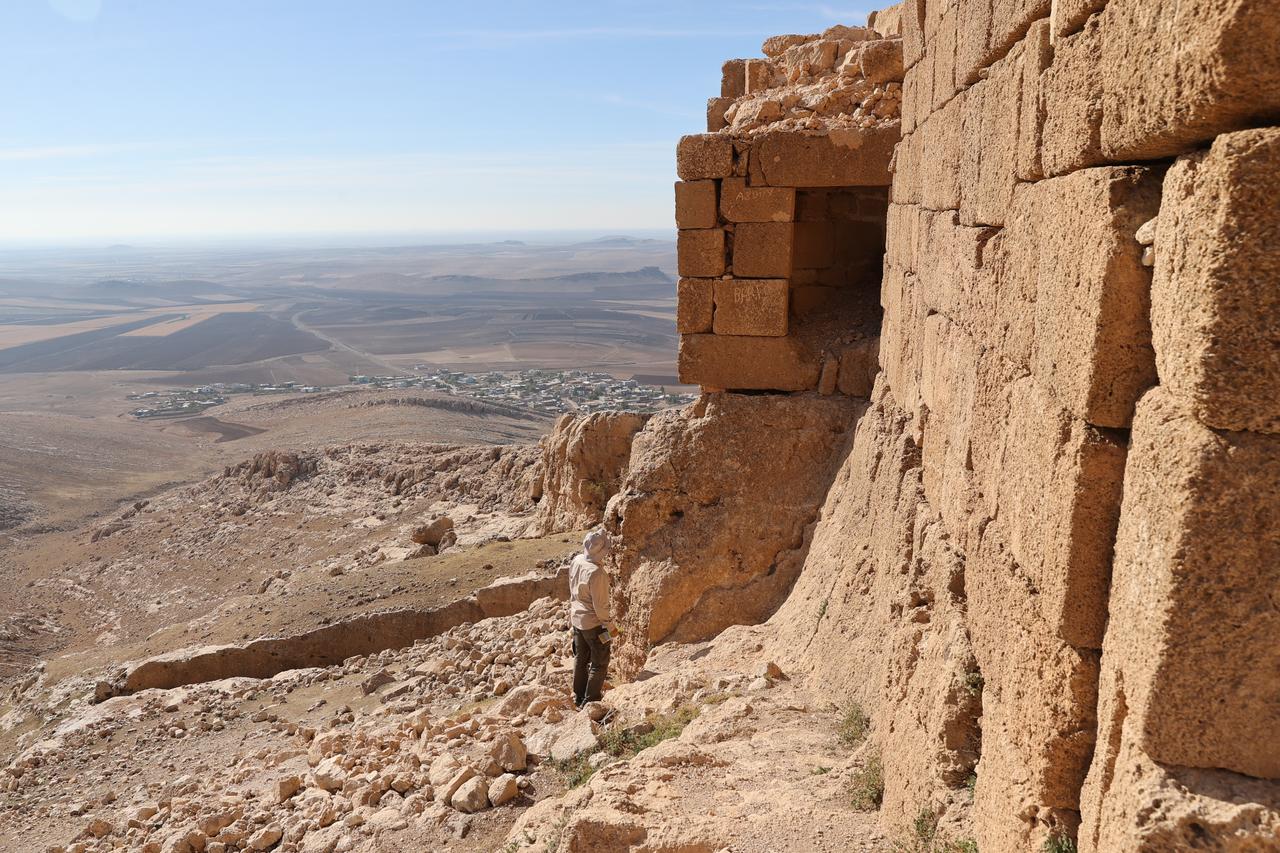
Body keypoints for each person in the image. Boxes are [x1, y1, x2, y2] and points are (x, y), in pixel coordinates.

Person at [569, 529, 616, 708]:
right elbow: (601, 608)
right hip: (594, 624)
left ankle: (579, 696)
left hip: (577, 619)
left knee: (581, 658)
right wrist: (611, 627)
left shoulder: (577, 560)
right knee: (599, 663)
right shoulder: (597, 573)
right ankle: (591, 702)